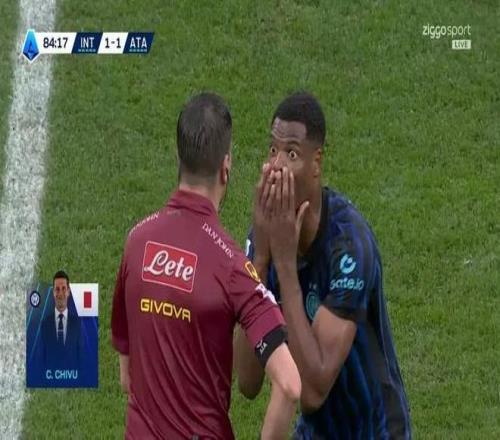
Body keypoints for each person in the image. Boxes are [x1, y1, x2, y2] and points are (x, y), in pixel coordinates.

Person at [111, 92, 301, 439]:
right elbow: (289, 384)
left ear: (178, 157)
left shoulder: (136, 242)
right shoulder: (231, 266)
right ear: (226, 167)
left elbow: (128, 378)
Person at [234, 92, 411, 439]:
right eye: (272, 151)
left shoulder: (349, 246)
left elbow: (313, 392)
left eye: (292, 154)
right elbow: (247, 381)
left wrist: (285, 266)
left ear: (316, 163)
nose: (276, 167)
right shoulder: (264, 240)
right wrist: (261, 262)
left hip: (374, 431)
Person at [40, 270, 84, 375]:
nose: (60, 293)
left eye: (64, 288)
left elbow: (81, 357)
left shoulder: (77, 323)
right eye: (57, 289)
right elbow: (41, 358)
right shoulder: (45, 324)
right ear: (53, 292)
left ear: (68, 291)